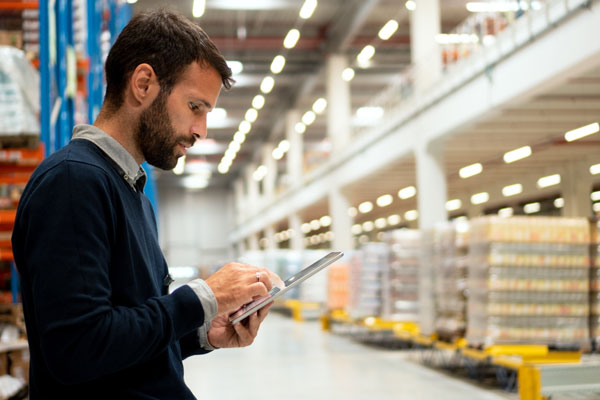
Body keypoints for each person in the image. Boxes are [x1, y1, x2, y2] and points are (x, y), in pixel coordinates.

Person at [11, 9, 281, 399]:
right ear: (143, 83)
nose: (200, 131)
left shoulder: (129, 190)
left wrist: (204, 332)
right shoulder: (74, 182)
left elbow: (126, 339)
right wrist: (204, 296)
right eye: (195, 107)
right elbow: (77, 349)